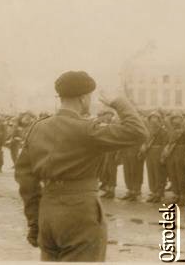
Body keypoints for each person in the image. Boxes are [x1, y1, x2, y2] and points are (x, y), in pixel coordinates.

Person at [14, 70, 149, 262]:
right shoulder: (87, 129)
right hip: (80, 213)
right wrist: (119, 102)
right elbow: (137, 132)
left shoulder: (37, 128)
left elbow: (26, 180)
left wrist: (34, 223)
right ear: (84, 98)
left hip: (48, 212)